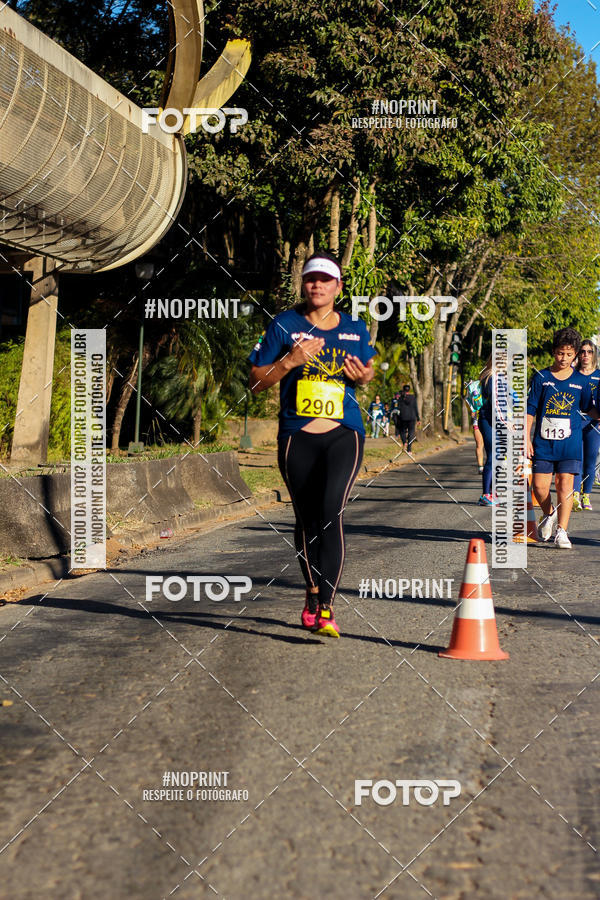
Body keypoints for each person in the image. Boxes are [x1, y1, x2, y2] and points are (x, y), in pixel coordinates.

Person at [248, 250, 376, 637]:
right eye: (310, 279)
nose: (317, 285)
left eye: (325, 279)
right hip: (296, 435)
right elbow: (255, 382)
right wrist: (289, 362)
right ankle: (312, 588)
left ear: (338, 286)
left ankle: (326, 609)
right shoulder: (284, 325)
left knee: (331, 512)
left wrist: (365, 376)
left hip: (344, 433)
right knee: (307, 519)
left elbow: (367, 371)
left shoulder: (356, 328)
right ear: (303, 285)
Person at [526, 327, 599, 549]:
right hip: (543, 443)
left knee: (565, 486)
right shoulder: (542, 377)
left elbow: (589, 408)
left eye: (569, 354)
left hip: (571, 442)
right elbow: (530, 409)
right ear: (553, 351)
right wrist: (524, 438)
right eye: (560, 353)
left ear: (575, 354)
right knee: (539, 487)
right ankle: (550, 514)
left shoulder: (581, 381)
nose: (564, 358)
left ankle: (562, 532)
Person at [572, 339, 600, 511]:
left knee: (590, 460)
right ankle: (575, 493)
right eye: (582, 351)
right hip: (576, 422)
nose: (585, 355)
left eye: (589, 352)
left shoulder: (599, 376)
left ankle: (586, 495)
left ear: (594, 354)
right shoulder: (572, 374)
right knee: (576, 459)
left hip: (595, 424)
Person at [465, 378, 484, 473]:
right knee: (479, 444)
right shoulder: (473, 389)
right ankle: (480, 466)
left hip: (490, 420)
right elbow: (468, 404)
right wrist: (472, 410)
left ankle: (492, 464)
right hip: (478, 420)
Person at [397, 384, 420, 451]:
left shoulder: (401, 398)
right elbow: (415, 408)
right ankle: (409, 449)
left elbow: (398, 408)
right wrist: (418, 418)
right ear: (409, 390)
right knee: (411, 432)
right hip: (412, 417)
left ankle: (404, 442)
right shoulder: (413, 398)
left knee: (402, 431)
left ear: (403, 390)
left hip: (403, 417)